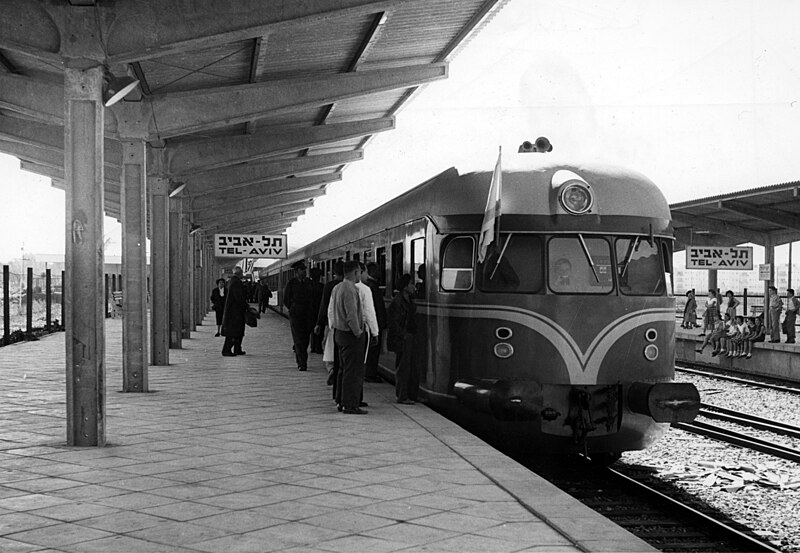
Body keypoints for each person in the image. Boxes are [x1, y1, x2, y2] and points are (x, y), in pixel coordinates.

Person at [328, 261, 368, 414]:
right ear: (355, 272)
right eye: (359, 272)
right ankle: (350, 404)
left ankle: (340, 400)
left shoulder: (337, 288)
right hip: (350, 335)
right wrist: (358, 332)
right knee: (353, 372)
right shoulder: (350, 289)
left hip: (339, 333)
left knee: (342, 370)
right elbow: (351, 315)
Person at [388, 273, 418, 404]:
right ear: (405, 286)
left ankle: (409, 395)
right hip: (403, 338)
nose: (414, 287)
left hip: (408, 336)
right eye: (412, 284)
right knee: (403, 367)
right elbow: (393, 322)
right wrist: (403, 335)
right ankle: (402, 396)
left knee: (410, 366)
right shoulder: (398, 302)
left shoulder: (408, 299)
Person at [315, 262, 343, 392]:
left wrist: (319, 323)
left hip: (331, 324)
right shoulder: (352, 286)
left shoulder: (329, 286)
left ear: (334, 272)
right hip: (346, 326)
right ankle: (340, 370)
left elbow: (324, 306)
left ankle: (331, 369)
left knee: (328, 347)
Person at [283, 260, 315, 371]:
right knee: (298, 339)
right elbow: (286, 299)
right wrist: (292, 309)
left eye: (305, 270)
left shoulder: (309, 282)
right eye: (302, 270)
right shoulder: (291, 283)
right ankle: (302, 363)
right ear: (297, 272)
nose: (304, 272)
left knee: (305, 339)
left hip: (307, 315)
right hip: (296, 315)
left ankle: (302, 358)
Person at [363, 262, 387, 383]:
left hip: (376, 323)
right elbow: (375, 308)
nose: (380, 272)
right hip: (375, 323)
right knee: (373, 350)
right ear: (373, 272)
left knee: (373, 350)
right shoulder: (373, 287)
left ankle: (370, 372)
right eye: (378, 270)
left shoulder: (370, 286)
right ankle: (370, 374)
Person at [221, 266, 248, 356]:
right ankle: (227, 350)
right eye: (242, 273)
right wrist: (246, 306)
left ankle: (237, 348)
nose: (242, 274)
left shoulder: (231, 281)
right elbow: (238, 297)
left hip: (233, 311)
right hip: (235, 312)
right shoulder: (236, 282)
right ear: (239, 273)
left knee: (236, 331)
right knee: (234, 331)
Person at [308, 268, 325, 354]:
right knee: (319, 330)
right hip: (318, 311)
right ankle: (318, 347)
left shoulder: (307, 286)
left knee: (310, 330)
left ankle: (312, 346)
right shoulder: (322, 287)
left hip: (309, 311)